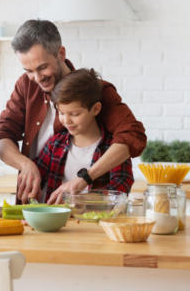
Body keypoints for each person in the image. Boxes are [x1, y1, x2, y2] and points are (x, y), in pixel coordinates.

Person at [0, 19, 146, 204]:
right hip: (37, 205)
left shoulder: (95, 90)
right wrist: (25, 164)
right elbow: (0, 138)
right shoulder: (26, 85)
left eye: (42, 67)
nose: (37, 78)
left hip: (86, 210)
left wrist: (85, 179)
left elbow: (132, 135)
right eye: (29, 70)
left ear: (61, 53)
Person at [35, 68, 134, 204]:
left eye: (74, 114)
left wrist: (78, 199)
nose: (66, 120)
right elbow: (36, 178)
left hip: (96, 222)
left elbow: (121, 188)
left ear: (96, 109)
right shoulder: (55, 144)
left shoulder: (113, 148)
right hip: (57, 222)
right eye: (61, 113)